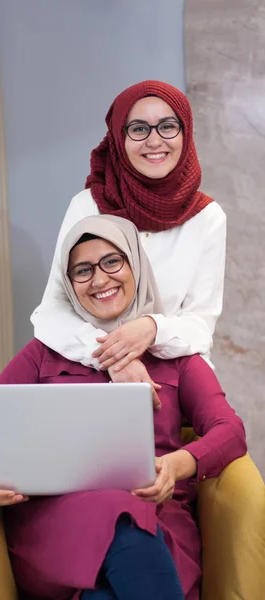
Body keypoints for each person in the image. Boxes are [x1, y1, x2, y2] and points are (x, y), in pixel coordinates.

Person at [0, 215, 246, 600]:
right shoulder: (43, 353)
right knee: (116, 514)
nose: (100, 279)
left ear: (135, 266)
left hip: (157, 520)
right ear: (69, 285)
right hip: (57, 527)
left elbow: (230, 430)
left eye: (112, 261)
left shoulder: (177, 357)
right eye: (83, 270)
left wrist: (178, 464)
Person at [30, 80, 226, 392]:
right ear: (119, 137)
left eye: (167, 126)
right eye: (138, 129)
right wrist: (114, 359)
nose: (154, 140)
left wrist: (152, 328)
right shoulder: (88, 206)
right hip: (93, 381)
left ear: (185, 132)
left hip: (179, 383)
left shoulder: (207, 217)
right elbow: (52, 313)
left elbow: (200, 327)